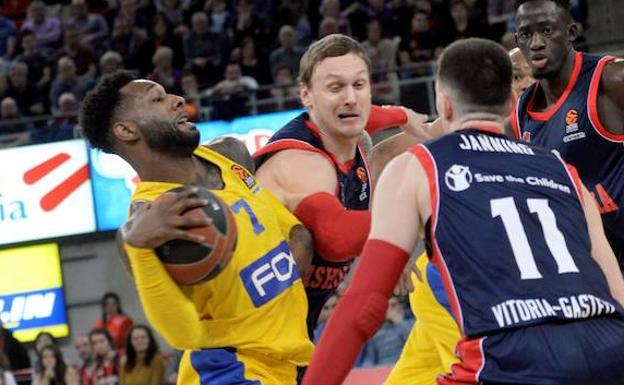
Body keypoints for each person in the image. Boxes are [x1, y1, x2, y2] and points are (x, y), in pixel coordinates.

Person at [303, 37, 624, 385]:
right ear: (510, 104)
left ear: (445, 103)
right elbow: (616, 290)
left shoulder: (420, 164)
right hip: (608, 348)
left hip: (515, 356)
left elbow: (361, 308)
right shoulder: (564, 169)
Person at [79, 71, 314, 384]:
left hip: (293, 360)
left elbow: (298, 237)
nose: (178, 100)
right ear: (126, 130)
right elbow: (183, 335)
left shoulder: (230, 154)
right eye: (157, 99)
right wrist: (139, 249)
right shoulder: (147, 223)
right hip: (232, 371)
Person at [253, 34, 429, 336]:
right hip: (241, 347)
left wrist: (402, 115)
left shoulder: (345, 129)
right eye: (335, 87)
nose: (350, 97)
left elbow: (359, 113)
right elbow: (335, 235)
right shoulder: (302, 162)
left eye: (359, 85)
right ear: (306, 95)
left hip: (286, 335)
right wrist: (400, 234)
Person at [510, 0, 624, 270]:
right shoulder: (519, 113)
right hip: (592, 270)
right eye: (526, 34)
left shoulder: (612, 79)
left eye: (547, 31)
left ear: (572, 32)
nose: (536, 43)